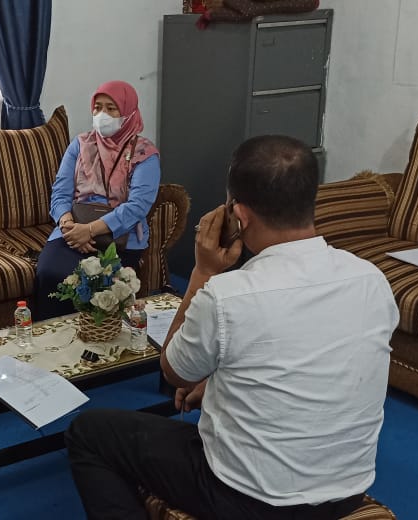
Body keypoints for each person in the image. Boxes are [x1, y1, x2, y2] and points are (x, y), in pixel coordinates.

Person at [65, 135, 399, 519]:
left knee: (89, 433)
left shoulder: (227, 295)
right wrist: (217, 385)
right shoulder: (371, 280)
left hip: (245, 499)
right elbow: (315, 355)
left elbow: (174, 371)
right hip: (346, 493)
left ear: (239, 216)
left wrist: (202, 272)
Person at [33, 80, 161, 321]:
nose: (102, 114)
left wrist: (90, 231)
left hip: (121, 237)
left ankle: (98, 339)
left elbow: (138, 206)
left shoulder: (144, 154)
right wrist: (69, 227)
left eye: (111, 108)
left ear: (128, 112)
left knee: (100, 285)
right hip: (73, 229)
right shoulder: (80, 144)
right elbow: (60, 192)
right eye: (98, 107)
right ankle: (52, 339)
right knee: (50, 273)